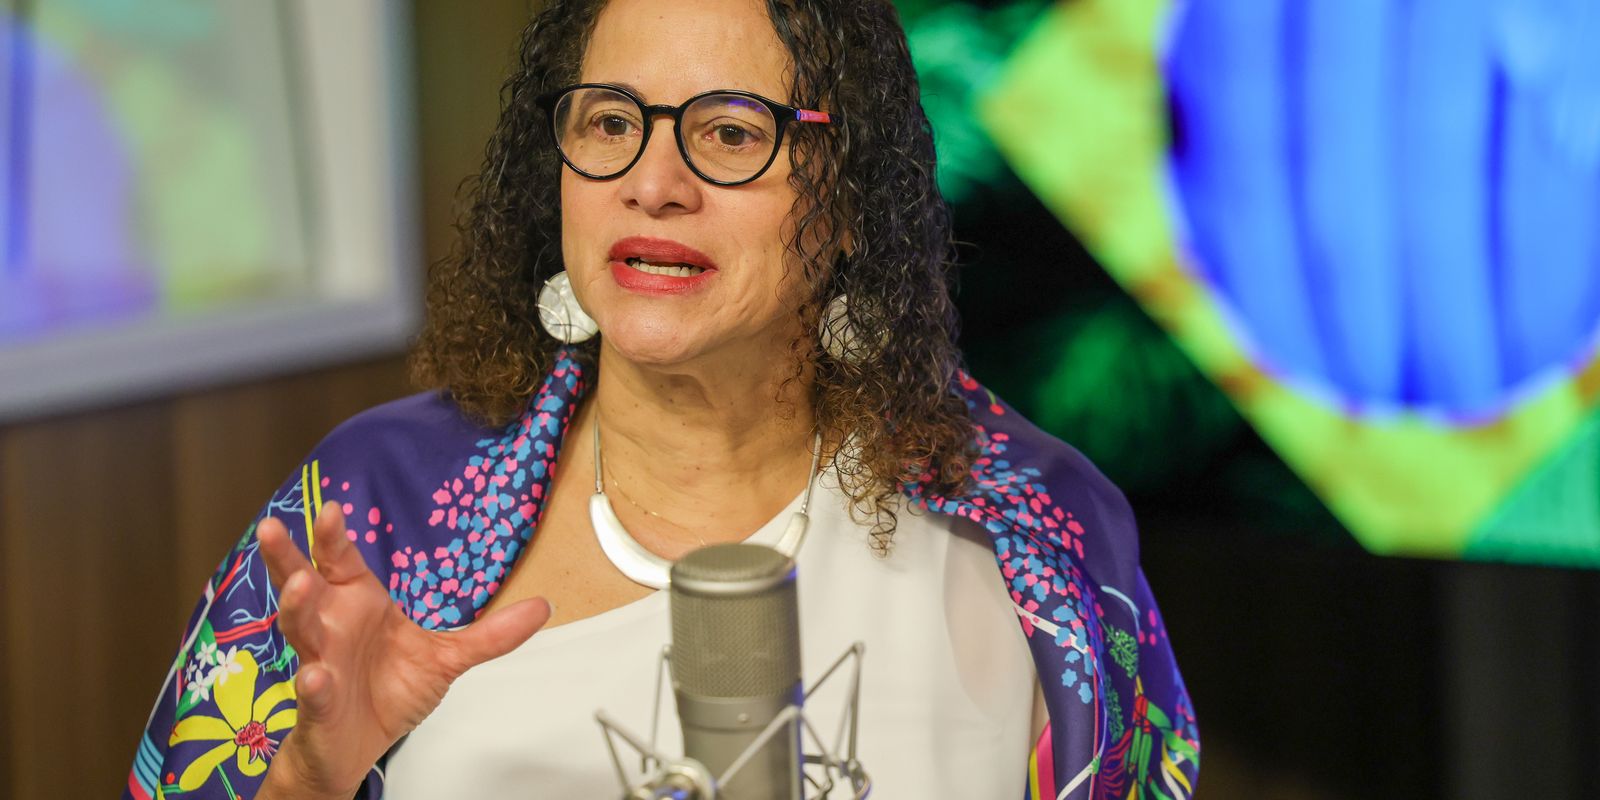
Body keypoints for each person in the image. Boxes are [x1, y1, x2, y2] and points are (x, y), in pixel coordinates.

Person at [123, 0, 1200, 797]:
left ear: (848, 197)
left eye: (730, 131)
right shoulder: (375, 506)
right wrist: (313, 776)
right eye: (610, 123)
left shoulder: (1033, 529)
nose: (653, 183)